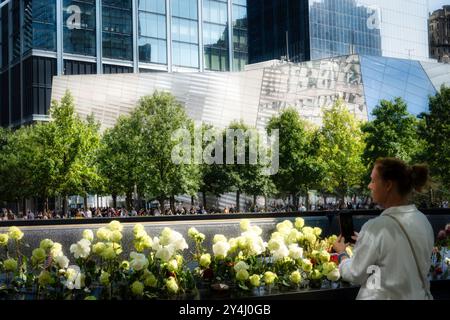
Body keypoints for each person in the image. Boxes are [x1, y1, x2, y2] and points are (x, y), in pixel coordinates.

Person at [333, 158, 434, 300]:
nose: (369, 186)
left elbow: (355, 274)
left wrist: (342, 254)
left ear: (387, 185)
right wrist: (365, 241)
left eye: (373, 181)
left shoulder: (376, 227)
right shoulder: (423, 221)